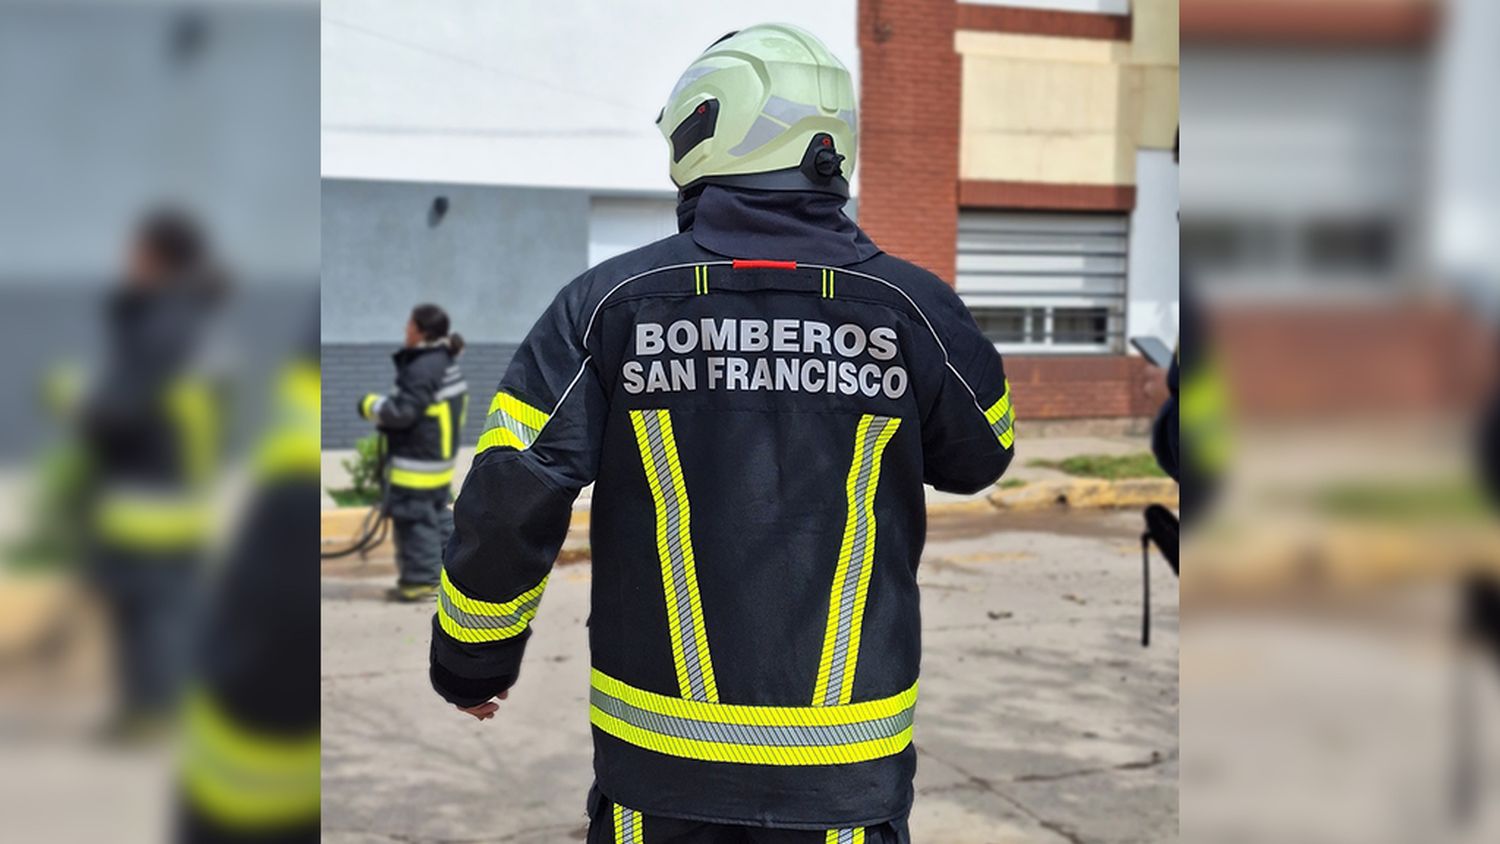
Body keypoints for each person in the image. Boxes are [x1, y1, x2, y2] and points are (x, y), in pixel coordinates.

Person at [428, 25, 1014, 842]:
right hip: (845, 781)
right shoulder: (911, 308)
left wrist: (470, 661)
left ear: (706, 129)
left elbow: (514, 488)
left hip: (661, 777)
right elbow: (982, 453)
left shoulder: (609, 303)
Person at [81, 208, 226, 741]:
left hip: (147, 495)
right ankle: (164, 705)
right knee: (164, 608)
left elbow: (126, 406)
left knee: (148, 612)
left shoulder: (165, 321)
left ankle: (150, 712)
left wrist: (80, 406)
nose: (126, 261)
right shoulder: (189, 317)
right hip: (171, 493)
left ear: (157, 258)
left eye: (135, 252)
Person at [357, 304, 468, 602]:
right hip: (436, 461)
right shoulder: (443, 362)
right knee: (436, 516)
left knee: (415, 519)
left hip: (417, 463)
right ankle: (454, 573)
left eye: (409, 325)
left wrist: (372, 406)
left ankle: (422, 582)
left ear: (422, 331)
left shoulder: (423, 367)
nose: (405, 329)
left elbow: (404, 413)